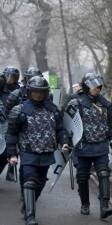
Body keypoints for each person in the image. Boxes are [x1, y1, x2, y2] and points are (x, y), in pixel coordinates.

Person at [7, 76, 69, 225]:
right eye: (35, 92)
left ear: (46, 93)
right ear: (29, 92)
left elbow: (60, 130)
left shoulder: (53, 109)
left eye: (41, 92)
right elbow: (11, 133)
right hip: (28, 152)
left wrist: (65, 142)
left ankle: (27, 205)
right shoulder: (20, 110)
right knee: (29, 180)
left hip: (47, 152)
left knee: (39, 183)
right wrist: (12, 154)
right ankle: (30, 217)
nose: (38, 95)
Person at [66, 73, 112, 218]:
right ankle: (85, 204)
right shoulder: (75, 103)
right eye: (95, 86)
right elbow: (67, 125)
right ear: (87, 86)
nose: (97, 89)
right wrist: (67, 143)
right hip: (82, 147)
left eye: (99, 87)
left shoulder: (106, 104)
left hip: (101, 146)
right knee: (82, 177)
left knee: (104, 174)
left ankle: (105, 206)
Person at [0, 66, 20, 177]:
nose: (11, 79)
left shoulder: (18, 91)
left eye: (14, 77)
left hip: (11, 125)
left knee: (6, 154)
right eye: (9, 76)